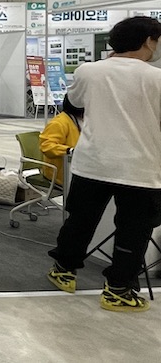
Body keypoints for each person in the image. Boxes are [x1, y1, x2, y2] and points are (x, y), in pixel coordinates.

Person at [47, 16, 161, 312]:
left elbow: (72, 105)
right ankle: (118, 290)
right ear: (148, 41)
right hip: (140, 167)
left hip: (92, 163)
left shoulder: (89, 71)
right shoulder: (156, 78)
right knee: (133, 230)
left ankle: (63, 271)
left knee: (80, 221)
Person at [38, 95, 84, 186]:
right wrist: (68, 150)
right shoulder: (59, 122)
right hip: (61, 173)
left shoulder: (83, 120)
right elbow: (46, 146)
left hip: (77, 169)